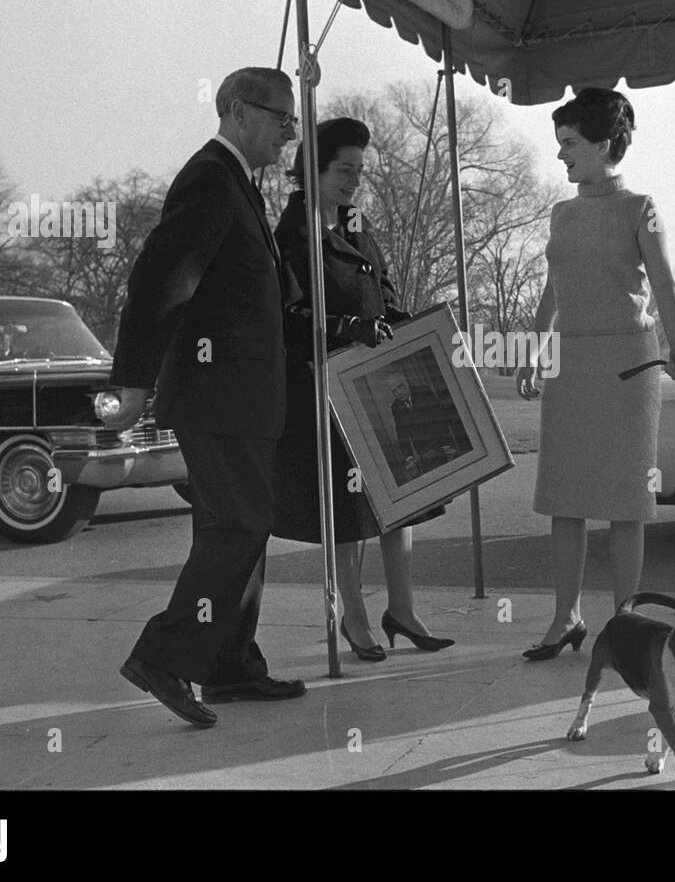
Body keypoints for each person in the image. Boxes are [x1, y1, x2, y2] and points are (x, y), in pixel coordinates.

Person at [105, 67, 306, 726]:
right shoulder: (209, 179)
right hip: (217, 395)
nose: (290, 130)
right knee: (239, 525)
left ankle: (229, 667)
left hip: (244, 398)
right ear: (238, 112)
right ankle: (164, 655)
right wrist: (133, 381)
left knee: (240, 527)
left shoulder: (240, 185)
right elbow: (162, 280)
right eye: (281, 116)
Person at [515, 87, 675, 661]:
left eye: (570, 144)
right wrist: (534, 349)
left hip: (629, 363)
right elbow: (552, 287)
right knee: (564, 494)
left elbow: (662, 281)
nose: (561, 155)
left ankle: (626, 621)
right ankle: (565, 617)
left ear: (603, 144)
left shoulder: (643, 207)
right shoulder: (562, 212)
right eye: (559, 143)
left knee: (623, 499)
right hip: (570, 361)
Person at [273, 117, 453, 661]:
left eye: (359, 171)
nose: (354, 181)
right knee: (349, 506)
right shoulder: (293, 234)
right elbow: (288, 315)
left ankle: (403, 609)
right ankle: (353, 616)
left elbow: (381, 289)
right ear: (313, 170)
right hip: (325, 389)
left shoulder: (355, 222)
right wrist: (347, 329)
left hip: (375, 381)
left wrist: (413, 323)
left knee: (402, 499)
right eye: (344, 170)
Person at [387, 372, 469, 482]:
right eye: (394, 391)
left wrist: (443, 445)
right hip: (423, 452)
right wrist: (408, 457)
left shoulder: (423, 392)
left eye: (400, 387)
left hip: (442, 443)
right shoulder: (395, 407)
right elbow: (402, 433)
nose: (399, 393)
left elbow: (440, 419)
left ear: (406, 383)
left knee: (457, 477)